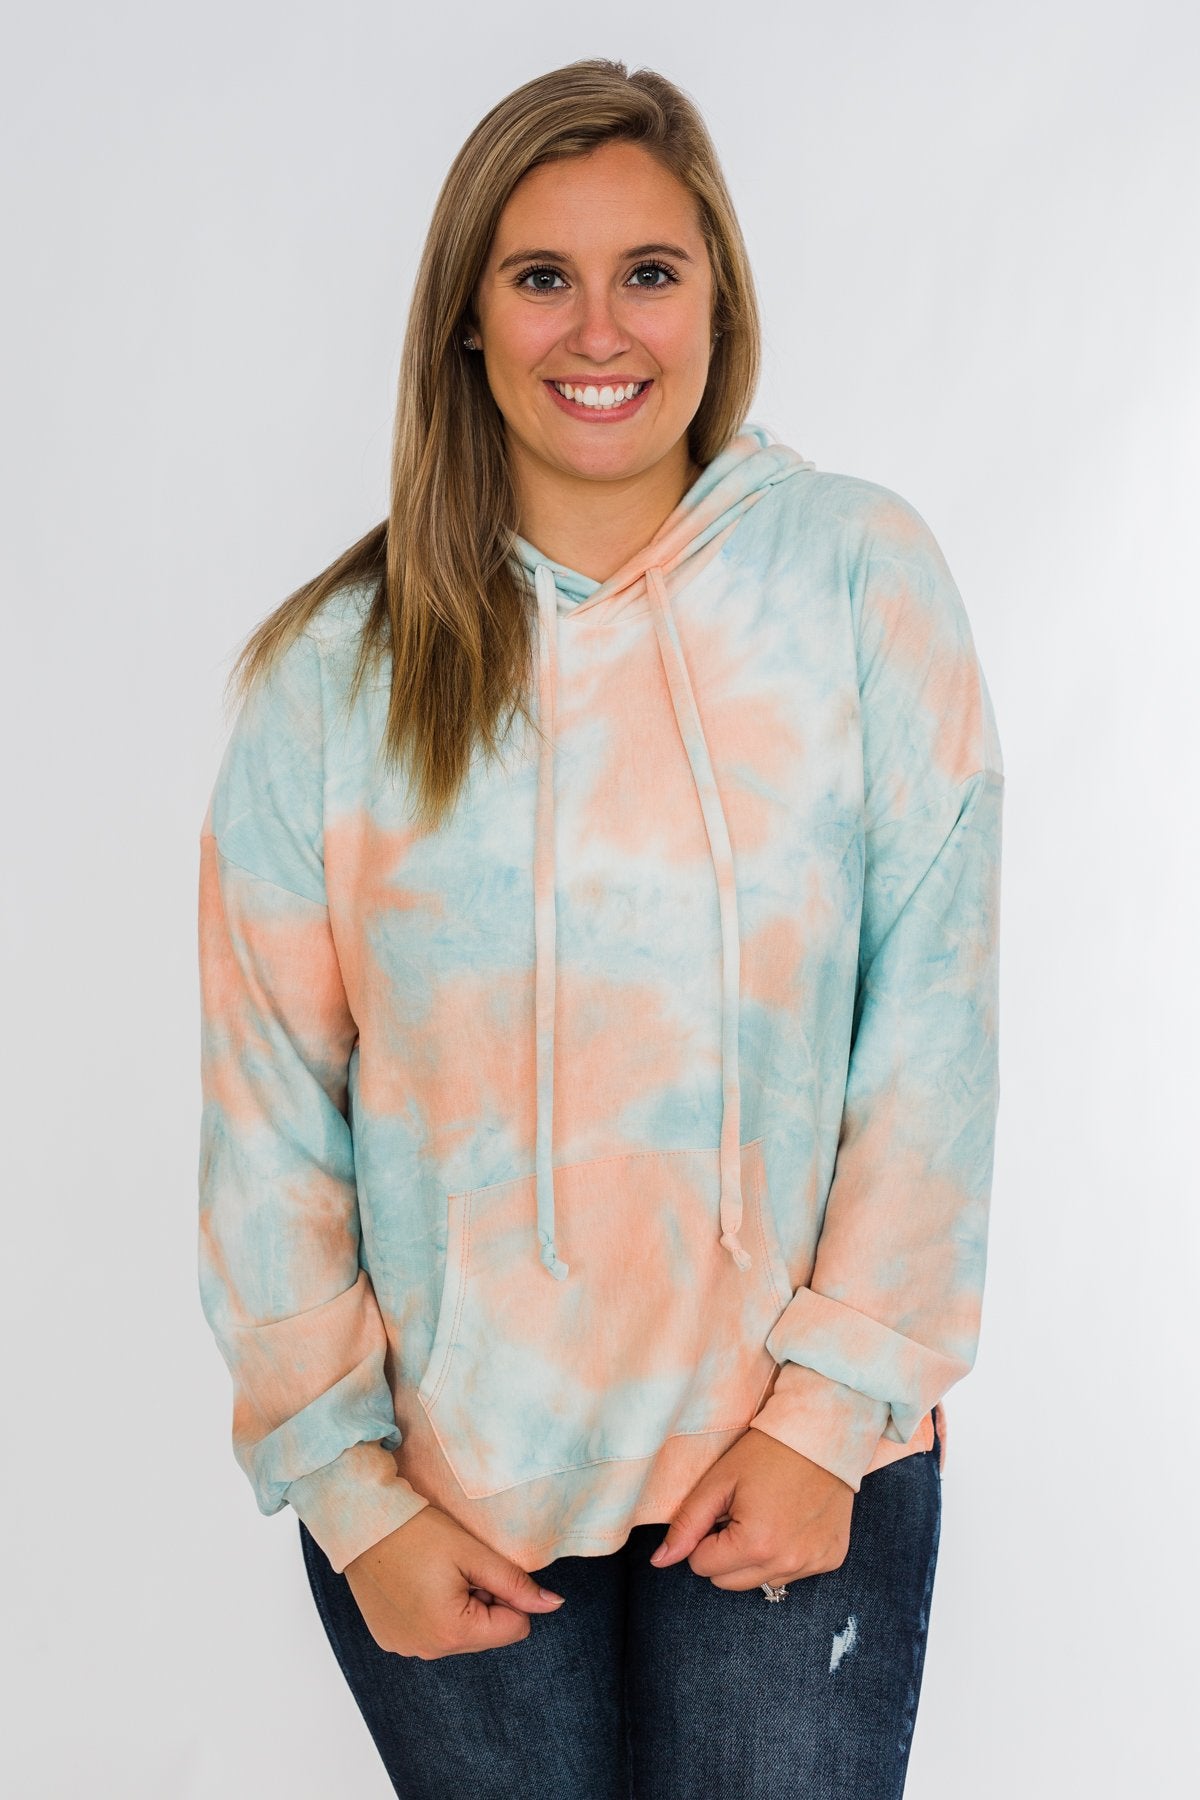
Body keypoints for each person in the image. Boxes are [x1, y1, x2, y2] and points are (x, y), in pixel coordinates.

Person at [196, 56, 1004, 1800]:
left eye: (649, 270)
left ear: (719, 296)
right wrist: (351, 1493)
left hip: (795, 1463)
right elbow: (269, 1116)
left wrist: (828, 1421)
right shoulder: (337, 674)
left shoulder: (855, 579)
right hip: (455, 1500)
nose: (599, 330)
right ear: (466, 318)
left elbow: (931, 1030)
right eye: (540, 276)